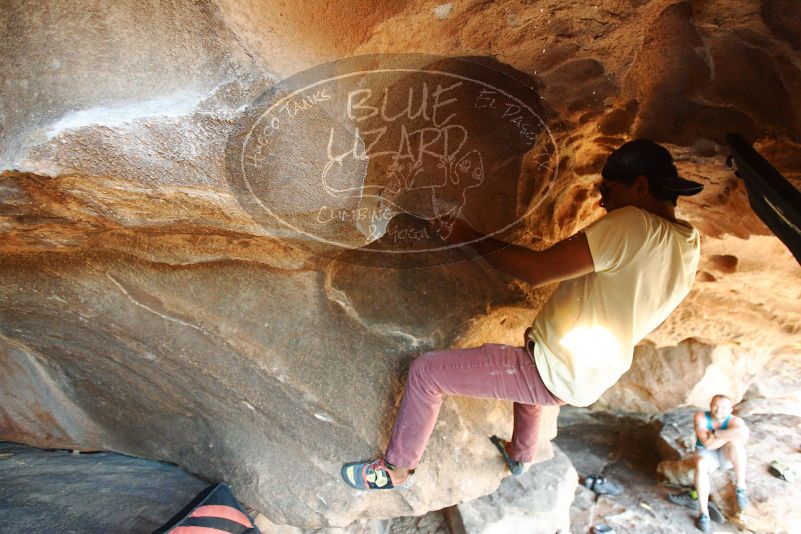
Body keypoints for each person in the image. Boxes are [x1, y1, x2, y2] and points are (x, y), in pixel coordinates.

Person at [341, 138, 703, 491]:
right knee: (531, 385)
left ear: (640, 186)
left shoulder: (634, 225)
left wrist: (466, 235)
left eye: (608, 189)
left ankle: (396, 469)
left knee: (427, 374)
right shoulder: (688, 242)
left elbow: (537, 269)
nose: (601, 199)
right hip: (592, 370)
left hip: (556, 370)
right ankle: (521, 455)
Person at [690, 394, 750, 532]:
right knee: (700, 465)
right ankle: (703, 513)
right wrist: (730, 434)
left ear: (730, 409)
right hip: (707, 454)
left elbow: (744, 432)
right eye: (715, 406)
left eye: (723, 408)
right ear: (710, 405)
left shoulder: (735, 420)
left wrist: (716, 433)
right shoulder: (701, 417)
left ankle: (741, 487)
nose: (718, 410)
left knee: (736, 447)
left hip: (725, 455)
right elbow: (708, 445)